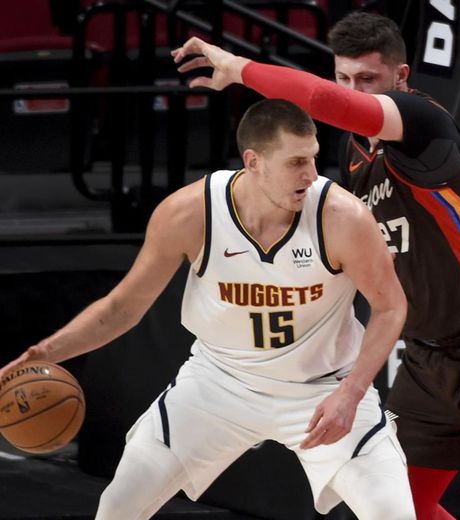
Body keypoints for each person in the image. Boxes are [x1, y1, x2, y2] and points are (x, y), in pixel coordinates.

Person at [170, 11, 460, 520]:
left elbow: (328, 102)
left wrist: (239, 68)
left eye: (367, 79)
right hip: (425, 359)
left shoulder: (421, 122)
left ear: (401, 76)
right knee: (394, 511)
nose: (353, 91)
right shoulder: (351, 155)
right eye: (344, 78)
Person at [0, 98, 416, 519]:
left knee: (393, 514)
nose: (310, 174)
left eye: (312, 158)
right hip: (219, 382)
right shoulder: (190, 213)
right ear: (253, 161)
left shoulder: (342, 217)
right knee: (118, 506)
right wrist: (44, 353)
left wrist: (351, 393)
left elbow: (390, 307)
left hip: (324, 386)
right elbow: (122, 308)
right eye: (295, 162)